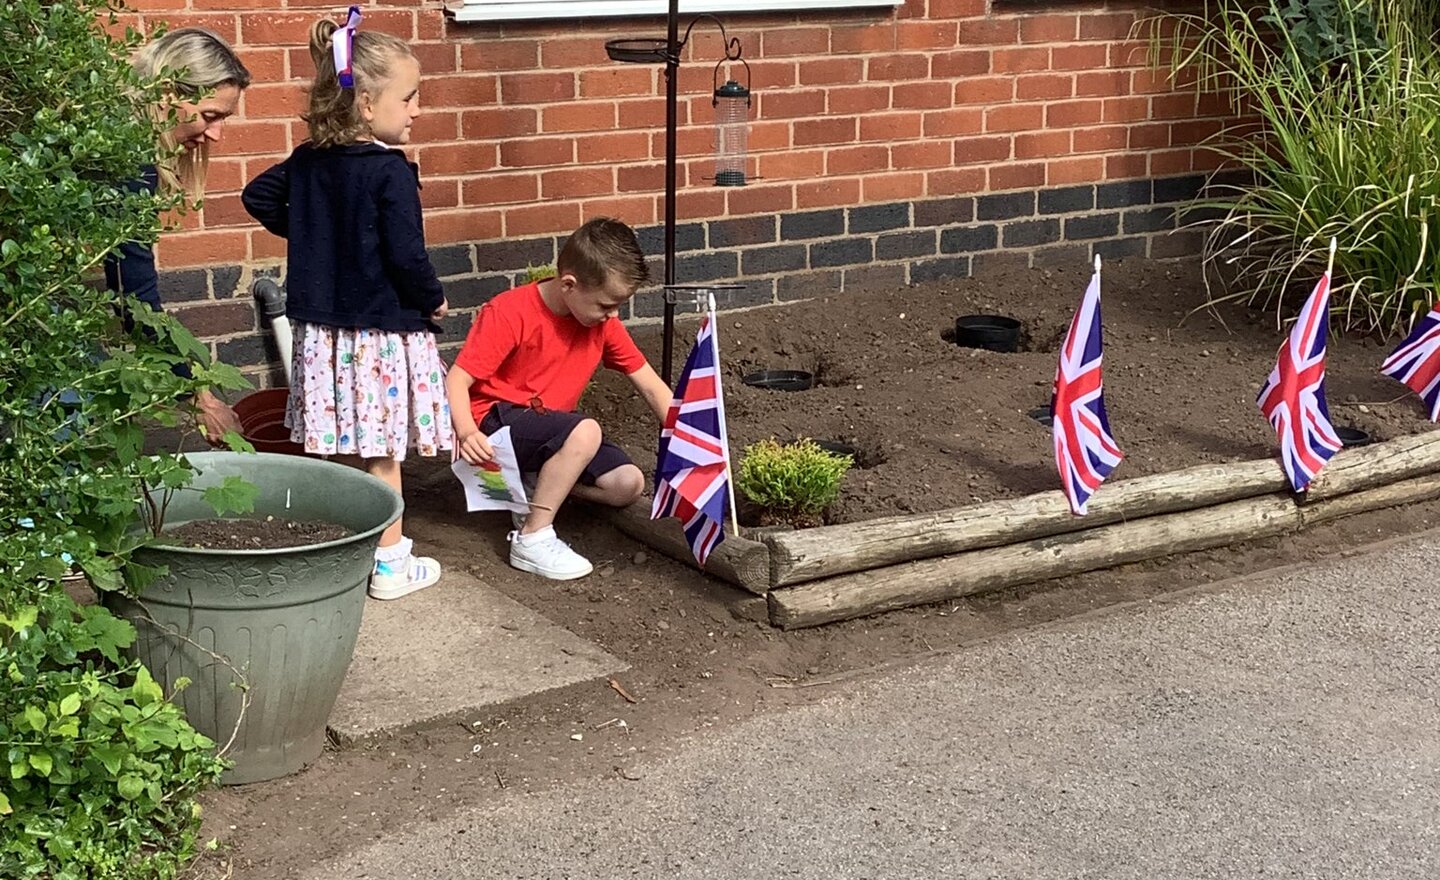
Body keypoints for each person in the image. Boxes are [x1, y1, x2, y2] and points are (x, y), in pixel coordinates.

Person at [240, 12, 452, 601]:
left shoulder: (310, 160)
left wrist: (314, 234)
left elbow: (256, 194)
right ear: (366, 105)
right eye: (409, 98)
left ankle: (339, 559)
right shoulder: (390, 171)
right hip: (380, 334)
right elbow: (407, 255)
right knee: (383, 456)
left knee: (337, 449)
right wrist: (432, 299)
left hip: (321, 332)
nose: (415, 111)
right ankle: (389, 567)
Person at [445, 218, 672, 581]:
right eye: (606, 304)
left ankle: (536, 488)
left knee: (627, 485)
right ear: (569, 284)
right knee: (584, 431)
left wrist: (691, 439)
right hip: (494, 426)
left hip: (546, 431)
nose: (613, 314)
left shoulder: (601, 323)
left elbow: (651, 386)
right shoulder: (509, 312)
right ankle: (531, 538)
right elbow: (458, 378)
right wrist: (467, 432)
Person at [108, 27, 251, 443]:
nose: (216, 135)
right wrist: (196, 394)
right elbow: (130, 290)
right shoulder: (126, 155)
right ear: (167, 92)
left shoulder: (124, 134)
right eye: (210, 115)